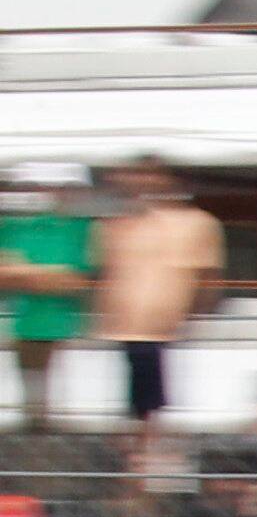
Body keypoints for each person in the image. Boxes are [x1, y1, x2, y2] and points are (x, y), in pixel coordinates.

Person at [91, 157, 223, 436]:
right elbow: (102, 270)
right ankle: (137, 444)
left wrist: (198, 315)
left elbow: (208, 277)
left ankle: (149, 440)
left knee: (152, 386)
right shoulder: (112, 225)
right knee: (134, 385)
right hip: (124, 322)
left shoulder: (197, 223)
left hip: (167, 325)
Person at [3, 162, 95, 431]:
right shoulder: (12, 226)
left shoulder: (81, 228)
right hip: (23, 323)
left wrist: (24, 272)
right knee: (33, 409)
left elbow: (75, 281)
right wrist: (45, 276)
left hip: (71, 326)